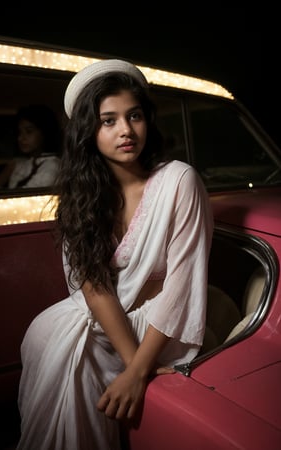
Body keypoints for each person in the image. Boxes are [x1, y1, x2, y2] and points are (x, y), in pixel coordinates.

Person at [17, 59, 214, 450]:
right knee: (58, 345)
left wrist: (139, 369)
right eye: (108, 120)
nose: (125, 130)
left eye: (134, 116)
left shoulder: (179, 181)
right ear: (89, 130)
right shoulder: (81, 195)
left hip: (159, 329)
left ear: (147, 120)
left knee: (83, 358)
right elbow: (93, 286)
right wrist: (131, 365)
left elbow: (181, 287)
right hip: (99, 323)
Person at [0, 104, 61, 190]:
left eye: (29, 131)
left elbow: (24, 198)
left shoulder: (52, 165)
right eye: (20, 132)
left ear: (45, 132)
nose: (21, 138)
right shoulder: (20, 164)